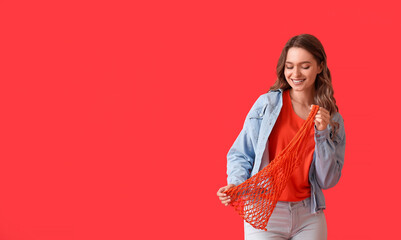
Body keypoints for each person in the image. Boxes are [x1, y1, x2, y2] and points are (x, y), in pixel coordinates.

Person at [216, 33, 346, 240]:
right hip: (265, 211)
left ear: (320, 66)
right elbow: (241, 152)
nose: (296, 73)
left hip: (309, 215)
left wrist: (322, 133)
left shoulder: (332, 119)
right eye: (289, 66)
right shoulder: (267, 105)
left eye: (305, 66)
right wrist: (236, 183)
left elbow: (328, 179)